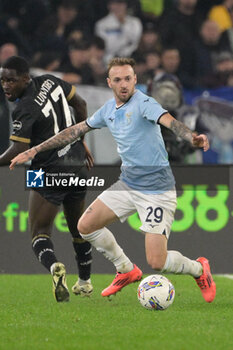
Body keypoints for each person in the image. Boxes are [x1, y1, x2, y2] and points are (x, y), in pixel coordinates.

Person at [10, 57, 216, 303]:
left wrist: (192, 137)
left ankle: (200, 270)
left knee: (157, 262)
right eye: (118, 80)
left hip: (156, 190)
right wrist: (34, 150)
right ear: (109, 83)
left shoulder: (144, 103)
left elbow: (170, 122)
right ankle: (126, 269)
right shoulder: (108, 110)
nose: (124, 84)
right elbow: (73, 131)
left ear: (135, 80)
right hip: (128, 184)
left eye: (128, 79)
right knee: (85, 226)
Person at [0, 56, 94, 302]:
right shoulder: (51, 81)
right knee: (78, 228)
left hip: (47, 170)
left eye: (11, 80)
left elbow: (17, 152)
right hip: (77, 165)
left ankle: (54, 267)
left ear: (25, 78)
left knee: (39, 232)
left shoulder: (24, 108)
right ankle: (85, 282)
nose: (6, 85)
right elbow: (81, 104)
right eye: (2, 80)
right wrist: (81, 141)